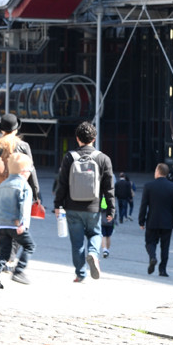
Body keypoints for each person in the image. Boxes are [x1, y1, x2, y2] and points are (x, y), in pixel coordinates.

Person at [53, 121, 115, 282]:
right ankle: (93, 254)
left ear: (77, 138)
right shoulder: (103, 159)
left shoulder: (69, 157)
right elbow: (109, 188)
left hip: (72, 206)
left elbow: (62, 184)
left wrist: (57, 205)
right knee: (96, 233)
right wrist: (111, 209)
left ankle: (80, 274)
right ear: (94, 138)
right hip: (93, 207)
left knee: (77, 242)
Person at [0, 115, 39, 257]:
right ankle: (11, 258)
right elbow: (31, 170)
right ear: (16, 129)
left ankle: (2, 256)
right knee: (16, 224)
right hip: (17, 190)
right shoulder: (24, 146)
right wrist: (36, 195)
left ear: (1, 129)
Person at [0, 151, 36, 288]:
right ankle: (19, 271)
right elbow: (24, 207)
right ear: (24, 171)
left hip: (1, 224)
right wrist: (23, 223)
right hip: (15, 224)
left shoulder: (2, 185)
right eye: (30, 170)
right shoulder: (25, 187)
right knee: (30, 246)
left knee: (4, 253)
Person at [138, 162, 173, 277]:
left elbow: (144, 205)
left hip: (152, 221)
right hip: (167, 222)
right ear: (167, 173)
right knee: (165, 247)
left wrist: (141, 221)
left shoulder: (149, 186)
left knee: (150, 242)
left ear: (157, 171)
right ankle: (162, 270)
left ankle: (152, 257)